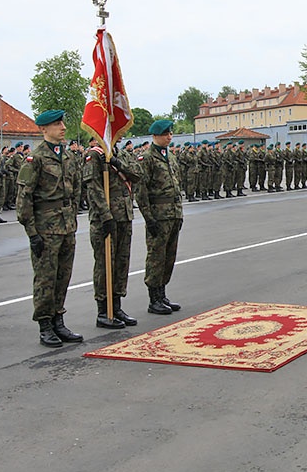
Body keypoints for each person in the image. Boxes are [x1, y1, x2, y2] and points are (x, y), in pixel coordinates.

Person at [16, 110, 83, 347]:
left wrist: (72, 217)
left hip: (66, 226)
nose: (63, 127)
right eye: (57, 124)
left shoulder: (67, 156)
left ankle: (58, 320)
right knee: (46, 278)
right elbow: (24, 199)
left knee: (63, 276)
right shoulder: (35, 160)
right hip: (45, 229)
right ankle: (45, 324)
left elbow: (76, 190)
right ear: (43, 129)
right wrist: (32, 234)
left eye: (62, 123)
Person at [84, 138, 141, 329]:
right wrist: (106, 215)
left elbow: (137, 174)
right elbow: (93, 188)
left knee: (121, 262)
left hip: (124, 215)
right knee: (105, 264)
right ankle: (103, 310)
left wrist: (117, 163)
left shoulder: (121, 154)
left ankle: (116, 306)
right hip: (105, 218)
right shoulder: (94, 156)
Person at [136, 120, 185, 314]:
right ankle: (153, 298)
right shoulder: (147, 158)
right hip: (158, 215)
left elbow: (177, 186)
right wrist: (149, 218)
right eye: (166, 134)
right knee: (156, 257)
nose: (170, 136)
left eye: (171, 133)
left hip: (173, 213)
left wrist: (179, 214)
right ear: (155, 135)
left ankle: (163, 294)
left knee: (168, 257)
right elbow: (141, 191)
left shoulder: (170, 157)